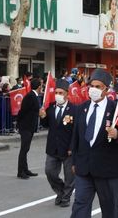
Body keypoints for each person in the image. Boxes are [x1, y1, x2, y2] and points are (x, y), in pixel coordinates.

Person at [71, 69, 118, 218]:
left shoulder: (116, 110)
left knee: (110, 209)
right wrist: (74, 161)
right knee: (80, 206)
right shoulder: (81, 108)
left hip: (107, 169)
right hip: (84, 168)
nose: (93, 89)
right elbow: (75, 138)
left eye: (98, 87)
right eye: (92, 86)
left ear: (106, 89)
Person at [39, 79, 75, 207]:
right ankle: (60, 191)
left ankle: (66, 197)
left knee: (70, 176)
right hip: (53, 147)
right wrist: (42, 117)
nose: (58, 95)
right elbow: (47, 124)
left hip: (67, 148)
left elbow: (76, 131)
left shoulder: (74, 109)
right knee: (50, 172)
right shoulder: (51, 107)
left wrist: (72, 146)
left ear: (67, 94)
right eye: (56, 92)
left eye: (61, 93)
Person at [16, 78, 42, 179]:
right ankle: (20, 171)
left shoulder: (34, 96)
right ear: (39, 87)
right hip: (25, 126)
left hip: (30, 126)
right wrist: (19, 124)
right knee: (24, 149)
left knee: (26, 149)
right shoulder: (30, 96)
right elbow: (22, 111)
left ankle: (25, 169)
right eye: (41, 85)